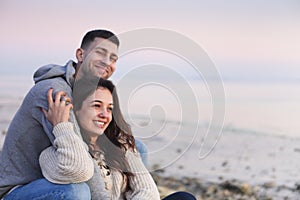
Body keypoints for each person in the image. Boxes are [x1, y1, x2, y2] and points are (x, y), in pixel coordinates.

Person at [0, 29, 146, 199]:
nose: (107, 62)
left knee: (135, 148)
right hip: (24, 189)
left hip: (60, 173)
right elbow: (81, 163)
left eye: (113, 58)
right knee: (77, 191)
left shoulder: (87, 91)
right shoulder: (54, 92)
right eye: (100, 52)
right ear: (80, 55)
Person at [40, 76, 196, 199]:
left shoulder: (120, 146)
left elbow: (147, 190)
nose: (104, 115)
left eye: (109, 109)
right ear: (76, 111)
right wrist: (62, 125)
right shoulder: (52, 156)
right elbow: (80, 170)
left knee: (184, 197)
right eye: (96, 105)